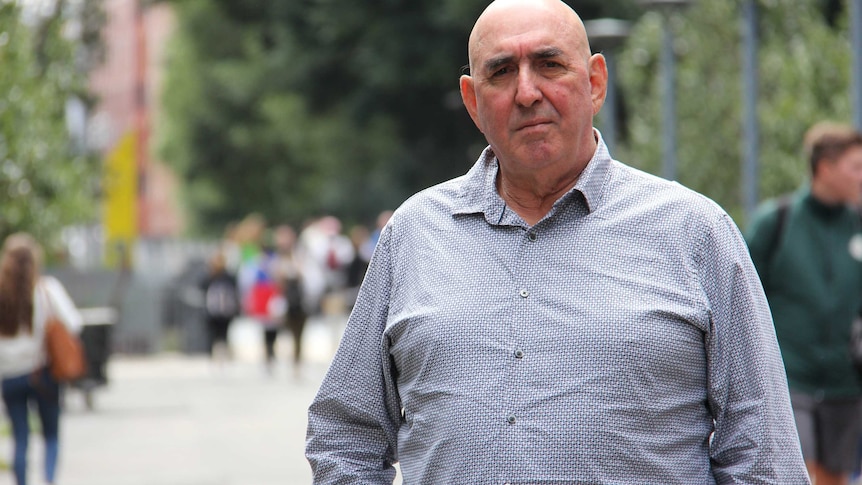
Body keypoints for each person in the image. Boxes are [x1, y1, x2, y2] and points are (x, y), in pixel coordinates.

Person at [306, 0, 809, 482]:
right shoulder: (414, 235)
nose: (527, 92)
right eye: (501, 71)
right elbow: (346, 433)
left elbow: (763, 456)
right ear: (472, 100)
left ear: (594, 82)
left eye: (549, 64)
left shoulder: (695, 233)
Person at [745, 121, 862, 485]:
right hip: (789, 376)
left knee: (833, 478)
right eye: (856, 167)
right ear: (825, 168)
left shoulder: (858, 225)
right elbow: (743, 297)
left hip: (846, 381)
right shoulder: (775, 222)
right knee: (796, 474)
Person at [0, 233, 83, 485]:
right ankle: (48, 480)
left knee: (20, 437)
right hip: (42, 374)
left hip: (9, 376)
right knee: (51, 434)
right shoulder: (47, 290)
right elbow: (74, 324)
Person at [272, 224, 308, 378]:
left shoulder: (300, 254)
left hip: (298, 300)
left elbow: (304, 274)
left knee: (298, 333)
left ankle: (296, 363)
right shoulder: (275, 257)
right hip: (282, 299)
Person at [199, 250, 240, 366]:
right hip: (212, 310)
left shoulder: (228, 277)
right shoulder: (210, 276)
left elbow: (235, 291)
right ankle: (212, 357)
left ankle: (222, 357)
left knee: (223, 335)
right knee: (212, 335)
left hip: (225, 310)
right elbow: (202, 287)